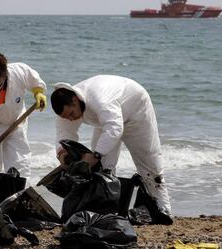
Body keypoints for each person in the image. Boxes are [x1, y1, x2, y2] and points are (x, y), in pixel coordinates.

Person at [50, 75, 172, 221]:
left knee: (150, 167)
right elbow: (65, 133)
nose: (71, 119)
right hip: (106, 122)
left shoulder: (99, 99)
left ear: (75, 99)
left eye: (71, 114)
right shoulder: (68, 109)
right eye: (66, 117)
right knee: (104, 170)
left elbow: (115, 127)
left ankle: (163, 210)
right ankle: (110, 211)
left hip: (136, 113)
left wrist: (95, 155)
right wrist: (62, 153)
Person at [0, 53, 46, 177]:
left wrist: (38, 92)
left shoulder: (18, 71)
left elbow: (33, 79)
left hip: (17, 120)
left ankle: (19, 190)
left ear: (5, 76)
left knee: (19, 159)